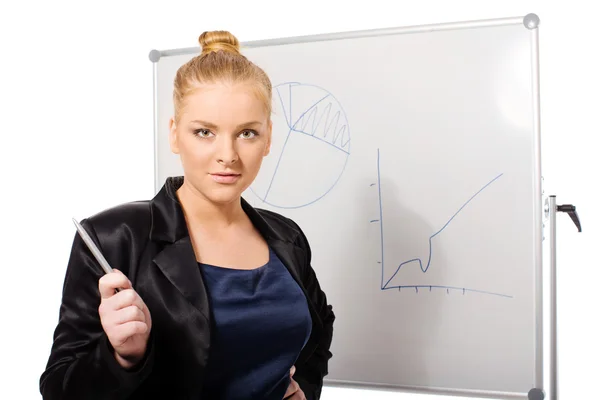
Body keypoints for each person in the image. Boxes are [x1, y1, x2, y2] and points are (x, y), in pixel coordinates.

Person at [39, 30, 335, 400]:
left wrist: (304, 389)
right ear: (175, 134)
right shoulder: (114, 238)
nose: (227, 154)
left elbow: (321, 327)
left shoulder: (286, 236)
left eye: (246, 133)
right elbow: (59, 389)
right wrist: (122, 357)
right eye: (204, 132)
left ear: (269, 138)